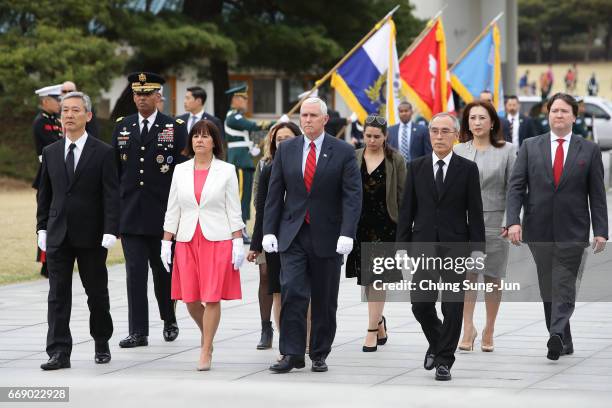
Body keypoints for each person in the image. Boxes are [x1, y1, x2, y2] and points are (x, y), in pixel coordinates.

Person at [262, 97, 362, 373]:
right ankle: (291, 353)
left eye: (312, 116)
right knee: (292, 291)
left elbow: (352, 197)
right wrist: (268, 230)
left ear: (325, 119)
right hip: (293, 234)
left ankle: (318, 352)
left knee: (324, 298)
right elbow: (274, 194)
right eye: (303, 116)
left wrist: (347, 233)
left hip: (328, 236)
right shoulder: (287, 149)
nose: (306, 120)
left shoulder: (342, 151)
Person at [506, 93, 608, 360]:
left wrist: (601, 230)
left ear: (574, 116)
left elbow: (597, 194)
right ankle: (564, 338)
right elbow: (516, 187)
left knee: (564, 283)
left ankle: (555, 334)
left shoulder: (589, 149)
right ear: (547, 115)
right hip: (538, 229)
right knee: (547, 285)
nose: (559, 115)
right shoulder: (530, 146)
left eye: (564, 111)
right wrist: (513, 221)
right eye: (554, 111)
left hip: (573, 230)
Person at [396, 112, 485, 381]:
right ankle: (437, 342)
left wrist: (477, 250)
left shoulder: (467, 170)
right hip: (422, 246)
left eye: (445, 131)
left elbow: (475, 212)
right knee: (420, 305)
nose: (438, 136)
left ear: (456, 135)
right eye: (434, 131)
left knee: (452, 306)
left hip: (455, 246)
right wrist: (401, 247)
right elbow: (407, 210)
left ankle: (444, 360)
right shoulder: (417, 166)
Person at [36, 91, 119, 370]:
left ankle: (101, 340)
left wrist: (111, 229)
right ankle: (59, 351)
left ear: (88, 115)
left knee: (96, 293)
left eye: (75, 110)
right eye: (65, 111)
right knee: (58, 295)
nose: (68, 115)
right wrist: (42, 228)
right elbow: (44, 195)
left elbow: (111, 195)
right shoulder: (50, 152)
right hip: (59, 233)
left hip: (92, 234)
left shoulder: (104, 152)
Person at [112, 72, 187, 348]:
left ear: (158, 97)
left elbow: (183, 173)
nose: (142, 98)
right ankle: (138, 331)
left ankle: (169, 318)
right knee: (135, 274)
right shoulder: (122, 126)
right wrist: (114, 216)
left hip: (162, 214)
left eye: (147, 94)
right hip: (130, 213)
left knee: (162, 271)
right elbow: (115, 174)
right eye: (137, 94)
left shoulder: (175, 127)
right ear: (133, 97)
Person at [162, 119, 244, 371]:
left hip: (217, 239)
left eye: (205, 136)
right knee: (189, 299)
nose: (199, 140)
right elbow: (173, 207)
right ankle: (207, 334)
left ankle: (206, 348)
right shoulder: (180, 170)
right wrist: (166, 241)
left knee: (211, 297)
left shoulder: (227, 170)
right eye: (196, 136)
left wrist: (238, 241)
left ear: (214, 142)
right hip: (187, 239)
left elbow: (233, 208)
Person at [453, 101, 516, 353]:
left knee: (492, 278)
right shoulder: (458, 151)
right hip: (463, 224)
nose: (477, 122)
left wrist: (510, 220)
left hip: (494, 221)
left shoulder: (507, 150)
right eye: (472, 118)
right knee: (467, 278)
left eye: (482, 118)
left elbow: (514, 188)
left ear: (492, 123)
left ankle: (489, 327)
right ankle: (467, 327)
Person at [345, 115, 406, 352]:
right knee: (366, 280)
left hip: (386, 225)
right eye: (368, 136)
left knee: (378, 277)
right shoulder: (354, 157)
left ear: (385, 137)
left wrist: (403, 229)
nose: (371, 140)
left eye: (376, 136)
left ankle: (371, 330)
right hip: (359, 225)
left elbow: (403, 196)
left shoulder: (396, 160)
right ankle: (379, 320)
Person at [247, 122, 302, 350]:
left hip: (295, 230)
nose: (283, 142)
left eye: (288, 138)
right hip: (269, 229)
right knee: (267, 276)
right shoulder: (265, 165)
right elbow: (258, 202)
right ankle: (265, 327)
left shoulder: (303, 162)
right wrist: (257, 241)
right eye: (279, 139)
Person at [224, 84, 274, 243]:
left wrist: (252, 147)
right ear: (235, 99)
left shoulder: (238, 117)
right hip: (239, 160)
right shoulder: (233, 117)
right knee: (239, 197)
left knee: (244, 196)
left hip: (243, 158)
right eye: (243, 98)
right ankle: (239, 229)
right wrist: (277, 122)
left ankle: (242, 228)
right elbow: (253, 127)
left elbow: (248, 135)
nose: (246, 101)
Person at [32, 84, 63, 278]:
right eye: (56, 100)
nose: (59, 103)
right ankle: (46, 264)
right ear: (45, 101)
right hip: (47, 172)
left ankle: (52, 261)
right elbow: (54, 145)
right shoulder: (40, 122)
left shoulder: (54, 120)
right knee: (48, 220)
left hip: (57, 170)